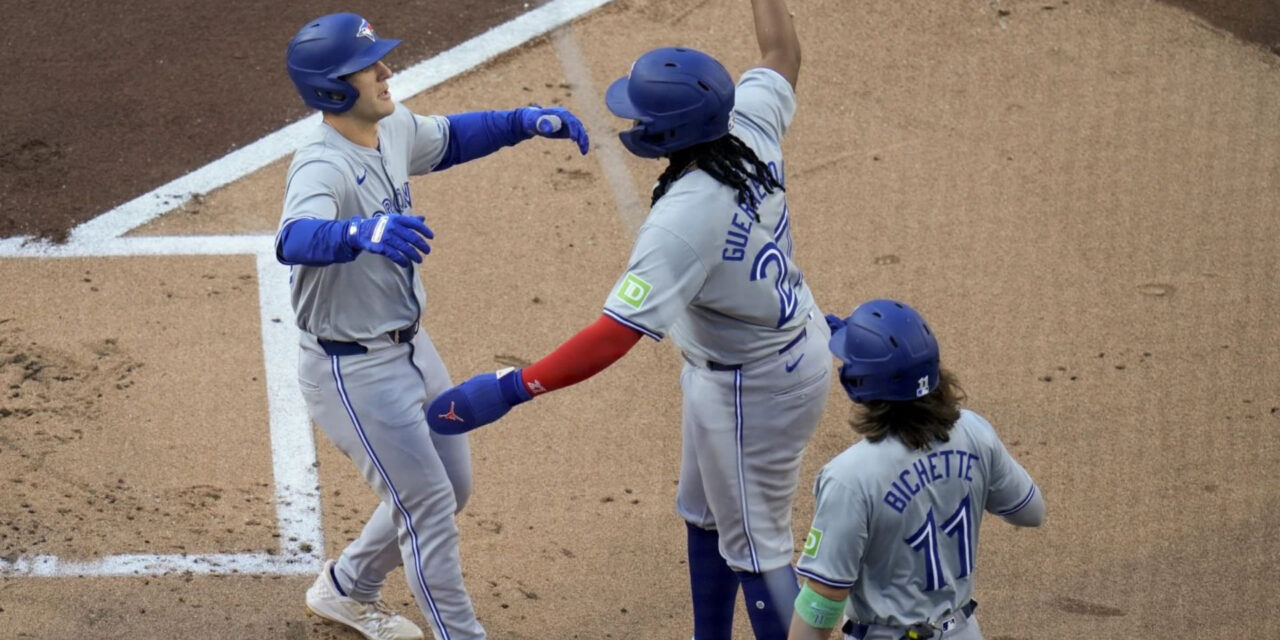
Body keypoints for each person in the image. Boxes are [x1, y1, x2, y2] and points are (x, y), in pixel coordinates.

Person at [425, 1, 827, 638]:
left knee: (758, 548)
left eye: (641, 112)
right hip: (749, 354)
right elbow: (783, 54)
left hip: (757, 387)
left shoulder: (682, 222)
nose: (631, 118)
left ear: (668, 134)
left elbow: (614, 334)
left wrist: (509, 387)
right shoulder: (745, 123)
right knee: (702, 513)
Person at [275, 12, 589, 640]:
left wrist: (523, 121)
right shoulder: (321, 165)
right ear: (333, 89)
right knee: (427, 510)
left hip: (411, 347)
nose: (386, 70)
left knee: (450, 486)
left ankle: (347, 588)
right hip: (353, 369)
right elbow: (293, 238)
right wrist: (357, 232)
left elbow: (448, 139)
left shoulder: (388, 128)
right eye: (369, 66)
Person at [787, 300, 1047, 640]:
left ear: (857, 383)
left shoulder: (849, 477)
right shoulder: (974, 432)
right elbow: (1031, 512)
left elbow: (823, 600)